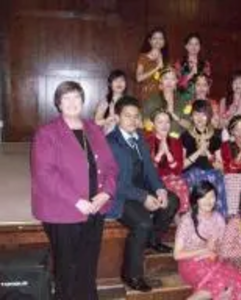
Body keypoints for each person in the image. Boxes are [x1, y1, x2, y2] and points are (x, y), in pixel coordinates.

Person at [31, 81, 118, 300]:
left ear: (82, 100)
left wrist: (106, 193)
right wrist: (78, 201)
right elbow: (45, 175)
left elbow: (111, 167)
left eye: (76, 97)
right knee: (67, 268)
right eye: (66, 98)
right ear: (58, 104)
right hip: (62, 211)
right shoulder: (46, 133)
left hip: (95, 208)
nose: (72, 103)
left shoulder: (93, 129)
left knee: (88, 263)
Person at [106, 96, 179, 292]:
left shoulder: (139, 137)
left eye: (135, 116)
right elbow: (116, 184)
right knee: (142, 222)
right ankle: (131, 274)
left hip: (139, 189)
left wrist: (159, 189)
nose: (131, 120)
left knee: (171, 201)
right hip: (118, 195)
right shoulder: (111, 143)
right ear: (117, 117)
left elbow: (149, 169)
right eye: (127, 116)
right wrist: (143, 197)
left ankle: (153, 241)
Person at [174, 181, 241, 300]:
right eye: (204, 197)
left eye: (212, 197)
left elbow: (224, 246)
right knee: (222, 284)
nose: (209, 201)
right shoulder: (187, 220)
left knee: (238, 281)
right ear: (196, 199)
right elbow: (177, 255)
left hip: (214, 261)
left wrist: (217, 248)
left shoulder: (218, 217)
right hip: (191, 263)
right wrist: (203, 250)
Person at [181, 100, 228, 217]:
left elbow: (221, 166)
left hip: (211, 171)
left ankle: (217, 218)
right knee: (199, 175)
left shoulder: (216, 136)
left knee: (215, 176)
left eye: (203, 114)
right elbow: (181, 166)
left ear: (209, 116)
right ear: (191, 116)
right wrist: (198, 152)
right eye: (196, 114)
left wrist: (207, 152)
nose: (200, 118)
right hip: (192, 172)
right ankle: (196, 217)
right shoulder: (185, 136)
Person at [146, 108, 190, 214]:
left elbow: (178, 170)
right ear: (153, 124)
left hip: (172, 178)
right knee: (174, 187)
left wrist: (169, 155)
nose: (164, 125)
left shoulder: (175, 141)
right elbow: (146, 169)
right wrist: (160, 153)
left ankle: (182, 218)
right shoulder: (147, 141)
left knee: (180, 184)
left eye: (167, 122)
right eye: (160, 122)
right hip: (153, 179)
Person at [142, 67, 191, 137]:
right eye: (166, 78)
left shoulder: (183, 101)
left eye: (172, 79)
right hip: (156, 140)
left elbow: (190, 125)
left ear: (176, 81)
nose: (169, 82)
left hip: (178, 140)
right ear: (161, 80)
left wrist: (176, 117)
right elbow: (143, 121)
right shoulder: (152, 100)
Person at [174, 33, 211, 102]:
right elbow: (176, 85)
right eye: (191, 44)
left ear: (200, 47)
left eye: (196, 44)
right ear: (186, 46)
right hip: (183, 98)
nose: (194, 47)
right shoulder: (179, 63)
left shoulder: (205, 64)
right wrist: (190, 75)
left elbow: (208, 84)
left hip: (200, 98)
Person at [136, 27, 169, 101]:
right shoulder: (143, 57)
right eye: (155, 38)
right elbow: (139, 78)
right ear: (150, 41)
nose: (158, 41)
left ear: (164, 41)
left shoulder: (167, 58)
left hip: (163, 95)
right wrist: (157, 68)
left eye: (161, 38)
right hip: (147, 95)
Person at [94, 69, 128, 134]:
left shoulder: (130, 102)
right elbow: (97, 122)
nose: (119, 83)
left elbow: (138, 122)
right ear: (110, 84)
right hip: (110, 136)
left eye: (122, 80)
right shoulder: (105, 102)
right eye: (115, 80)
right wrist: (108, 119)